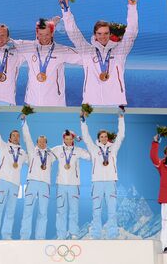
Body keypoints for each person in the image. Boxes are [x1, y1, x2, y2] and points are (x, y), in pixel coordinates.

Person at [59, 0, 139, 106]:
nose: (103, 36)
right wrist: (65, 10)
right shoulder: (87, 51)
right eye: (99, 34)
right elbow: (74, 33)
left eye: (106, 33)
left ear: (110, 34)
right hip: (90, 103)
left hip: (116, 103)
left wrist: (132, 7)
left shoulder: (119, 51)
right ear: (95, 35)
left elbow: (131, 32)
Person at [14, 18, 82, 106]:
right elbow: (6, 41)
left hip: (55, 103)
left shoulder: (62, 51)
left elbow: (85, 58)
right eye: (41, 34)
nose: (44, 38)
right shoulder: (28, 47)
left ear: (52, 33)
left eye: (47, 34)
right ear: (36, 34)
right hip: (32, 102)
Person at [80, 108, 125, 239]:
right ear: (98, 138)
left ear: (108, 138)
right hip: (97, 182)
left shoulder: (113, 148)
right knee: (96, 210)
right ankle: (96, 234)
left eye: (105, 136)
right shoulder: (94, 149)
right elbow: (86, 137)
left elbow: (121, 135)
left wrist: (121, 118)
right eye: (101, 136)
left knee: (112, 211)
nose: (104, 138)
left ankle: (112, 234)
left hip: (111, 182)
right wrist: (83, 121)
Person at [0, 109, 28, 239]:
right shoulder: (3, 146)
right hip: (2, 180)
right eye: (13, 135)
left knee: (11, 211)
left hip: (15, 184)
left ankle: (6, 235)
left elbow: (33, 163)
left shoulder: (23, 153)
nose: (16, 137)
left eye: (17, 135)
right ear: (9, 138)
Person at [51, 129, 90, 239]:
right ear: (63, 139)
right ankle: (61, 235)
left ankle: (74, 233)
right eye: (66, 139)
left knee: (74, 210)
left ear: (73, 139)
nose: (68, 141)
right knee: (61, 211)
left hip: (74, 184)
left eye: (70, 139)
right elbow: (46, 157)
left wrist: (85, 142)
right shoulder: (57, 149)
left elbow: (90, 157)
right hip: (61, 184)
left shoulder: (78, 150)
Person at [19, 114, 53, 239]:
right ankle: (24, 237)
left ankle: (40, 238)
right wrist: (24, 122)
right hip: (32, 183)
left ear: (47, 143)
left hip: (45, 185)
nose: (42, 143)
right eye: (40, 141)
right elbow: (27, 137)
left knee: (43, 213)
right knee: (28, 211)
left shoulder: (51, 154)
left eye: (44, 142)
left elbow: (66, 152)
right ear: (37, 143)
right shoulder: (32, 151)